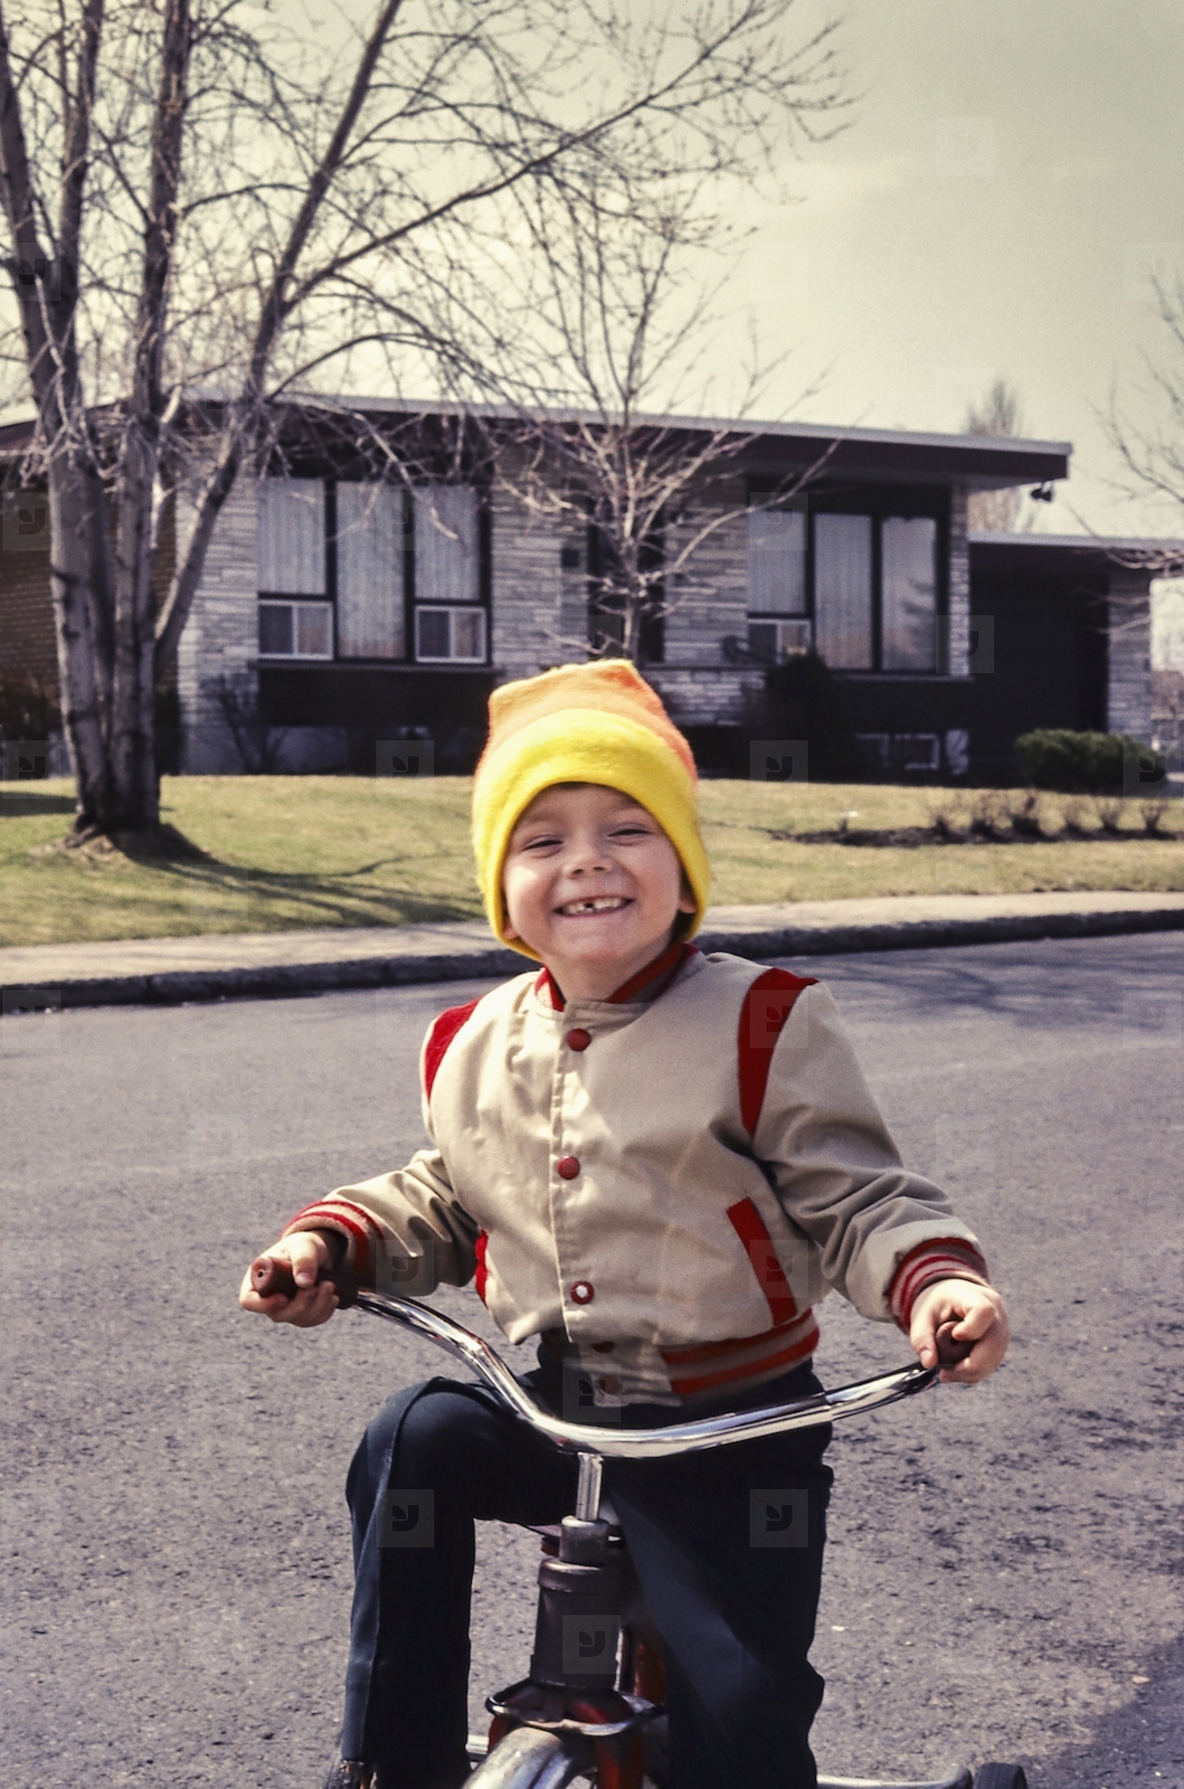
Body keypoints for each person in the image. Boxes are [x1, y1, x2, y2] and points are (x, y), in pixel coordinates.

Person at [240, 660, 1009, 1789]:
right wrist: (332, 1243)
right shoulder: (468, 1036)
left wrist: (933, 1283)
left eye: (625, 828)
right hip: (551, 1406)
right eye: (541, 837)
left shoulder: (761, 1020)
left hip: (733, 1432)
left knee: (736, 1719)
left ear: (683, 870)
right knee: (412, 1437)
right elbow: (452, 1190)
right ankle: (390, 1760)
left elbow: (855, 1197)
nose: (586, 859)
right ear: (503, 888)